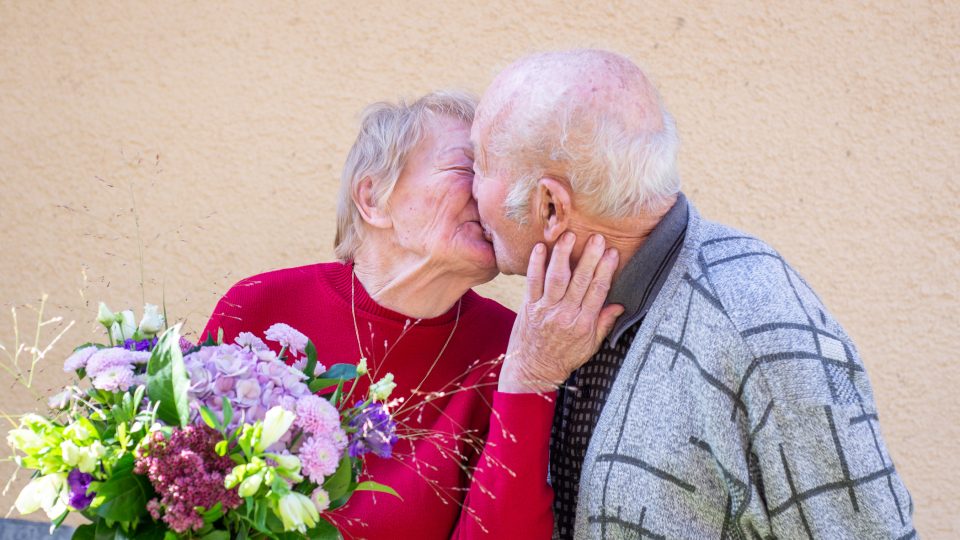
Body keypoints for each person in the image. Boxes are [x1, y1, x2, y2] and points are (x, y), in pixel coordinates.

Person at [472, 49, 916, 539]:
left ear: (551, 207)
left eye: (479, 164)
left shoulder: (758, 327)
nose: (469, 190)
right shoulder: (553, 317)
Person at [201, 92, 615, 538]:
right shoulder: (263, 306)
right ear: (374, 197)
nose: (497, 195)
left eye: (503, 178)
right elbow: (183, 493)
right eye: (469, 170)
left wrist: (530, 381)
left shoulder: (517, 350)